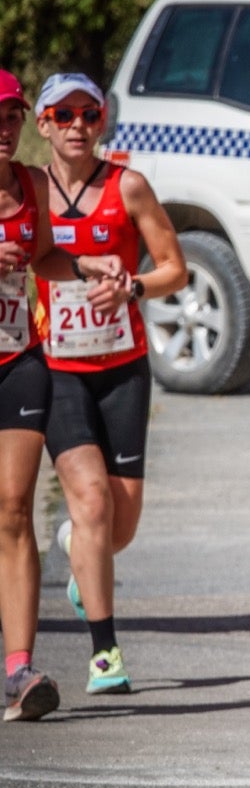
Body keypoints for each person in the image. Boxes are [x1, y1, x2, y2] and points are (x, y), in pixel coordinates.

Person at [35, 72, 188, 695]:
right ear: (42, 123)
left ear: (102, 121)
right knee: (92, 500)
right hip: (55, 369)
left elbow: (175, 269)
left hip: (123, 368)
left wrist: (135, 286)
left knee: (117, 526)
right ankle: (105, 654)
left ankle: (78, 550)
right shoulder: (24, 191)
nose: (77, 126)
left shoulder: (128, 186)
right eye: (63, 114)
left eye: (89, 114)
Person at [0, 69, 118, 720]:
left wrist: (81, 267)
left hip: (19, 358)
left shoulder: (30, 185)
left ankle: (19, 672)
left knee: (14, 509)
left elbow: (43, 254)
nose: (5, 129)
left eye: (12, 117)